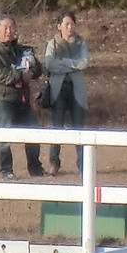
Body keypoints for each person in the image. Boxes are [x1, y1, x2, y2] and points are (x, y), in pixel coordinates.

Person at [0, 16, 45, 180]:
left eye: (12, 28)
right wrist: (20, 76)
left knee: (32, 132)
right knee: (5, 135)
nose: (9, 31)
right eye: (5, 28)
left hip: (22, 99)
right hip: (2, 100)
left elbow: (38, 68)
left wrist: (32, 71)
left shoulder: (22, 50)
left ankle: (35, 168)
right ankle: (6, 170)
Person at [44, 11, 90, 175]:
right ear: (59, 27)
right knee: (57, 128)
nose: (70, 27)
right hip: (59, 90)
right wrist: (72, 66)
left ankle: (83, 164)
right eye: (66, 24)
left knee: (79, 128)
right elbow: (50, 64)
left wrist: (63, 62)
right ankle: (54, 163)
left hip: (77, 90)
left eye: (72, 24)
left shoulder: (81, 43)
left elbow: (84, 63)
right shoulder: (52, 44)